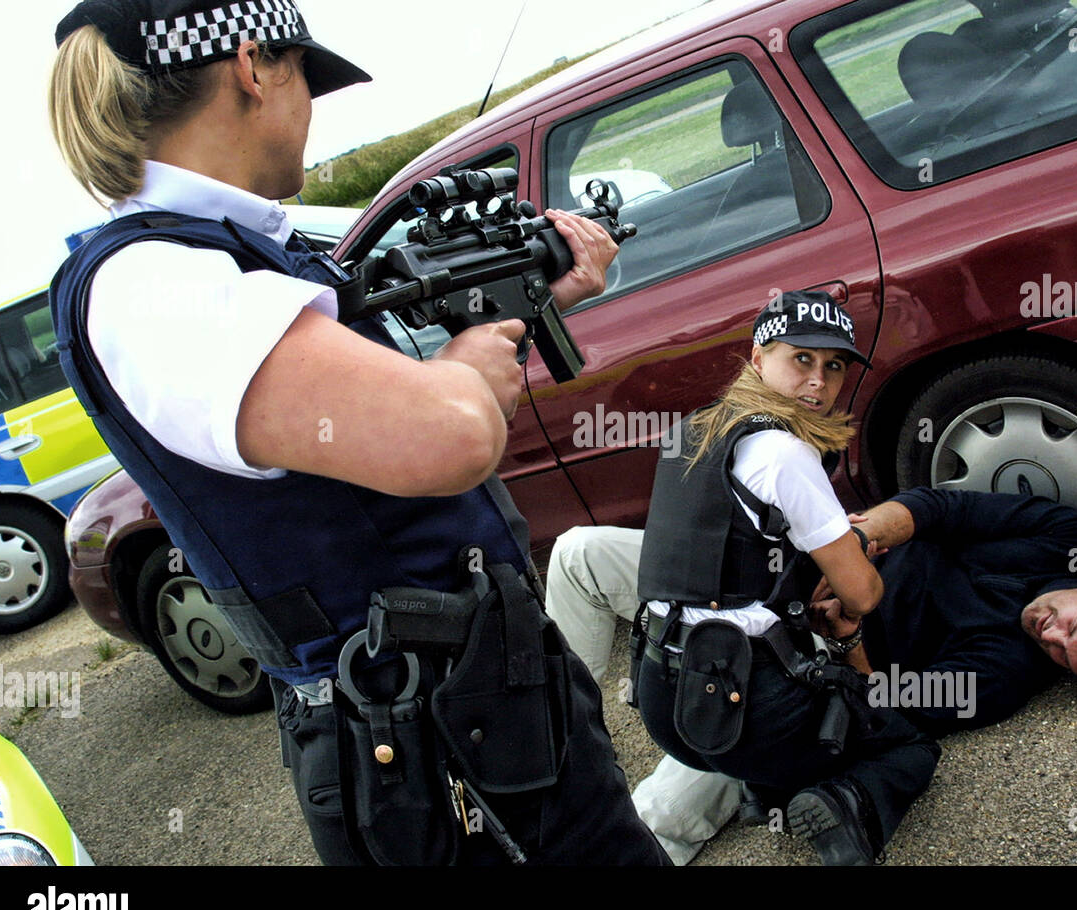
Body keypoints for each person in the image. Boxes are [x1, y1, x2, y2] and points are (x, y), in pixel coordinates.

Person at [48, 0, 669, 865]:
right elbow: (444, 434)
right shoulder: (154, 280)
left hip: (471, 697)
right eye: (306, 75)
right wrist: (461, 374)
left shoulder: (227, 252)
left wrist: (515, 318)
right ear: (253, 64)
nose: (312, 107)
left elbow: (386, 417)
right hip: (417, 732)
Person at [547, 488, 1077, 864]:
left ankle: (561, 834)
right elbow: (941, 506)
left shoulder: (1006, 676)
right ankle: (553, 742)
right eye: (1072, 627)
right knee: (579, 552)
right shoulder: (1073, 538)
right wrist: (857, 540)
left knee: (658, 817)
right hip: (770, 575)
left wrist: (847, 634)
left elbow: (884, 708)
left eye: (1065, 658)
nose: (1051, 636)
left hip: (790, 675)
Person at [626, 289, 942, 866]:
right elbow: (862, 594)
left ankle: (764, 791)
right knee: (909, 742)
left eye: (835, 365)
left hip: (663, 703)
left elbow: (724, 550)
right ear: (757, 358)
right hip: (750, 713)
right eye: (802, 359)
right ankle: (842, 804)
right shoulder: (783, 452)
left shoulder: (693, 432)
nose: (819, 381)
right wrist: (848, 549)